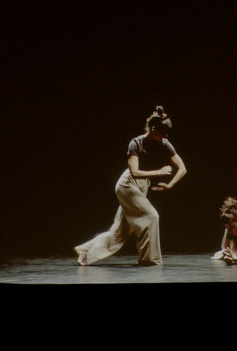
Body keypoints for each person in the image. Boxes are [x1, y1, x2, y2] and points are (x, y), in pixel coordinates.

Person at [75, 106, 187, 266]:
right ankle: (150, 260)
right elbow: (134, 172)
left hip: (142, 185)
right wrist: (159, 172)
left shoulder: (164, 144)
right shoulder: (136, 143)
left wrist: (170, 185)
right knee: (152, 216)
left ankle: (85, 249)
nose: (165, 136)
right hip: (127, 185)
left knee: (120, 232)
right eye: (163, 132)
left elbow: (182, 168)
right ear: (153, 128)